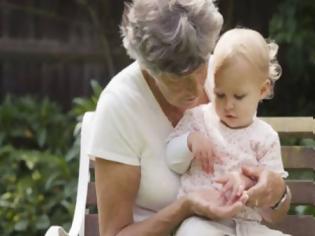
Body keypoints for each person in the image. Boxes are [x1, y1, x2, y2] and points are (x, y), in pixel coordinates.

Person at [88, 1, 290, 235]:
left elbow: (273, 210)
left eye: (201, 68)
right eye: (178, 80)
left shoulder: (226, 74)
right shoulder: (120, 105)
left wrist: (276, 192)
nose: (197, 90)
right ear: (148, 69)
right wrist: (185, 207)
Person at [166, 28, 291, 236]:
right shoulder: (198, 120)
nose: (228, 105)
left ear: (263, 90)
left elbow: (270, 193)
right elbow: (172, 159)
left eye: (238, 96)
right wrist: (189, 142)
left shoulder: (266, 138)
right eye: (220, 94)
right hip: (202, 221)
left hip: (248, 226)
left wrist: (248, 184)